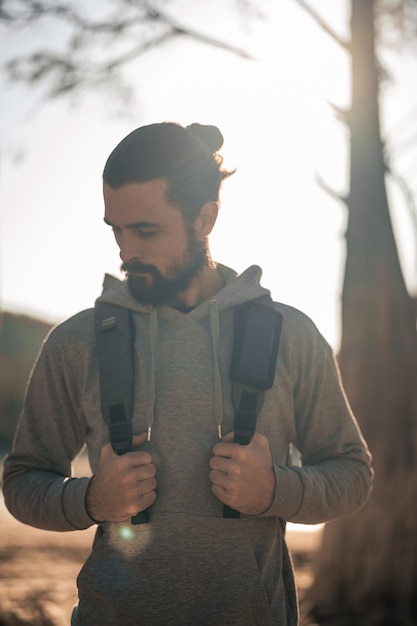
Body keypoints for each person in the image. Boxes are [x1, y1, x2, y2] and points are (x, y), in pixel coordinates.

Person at [3, 121, 373, 626]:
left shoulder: (292, 335)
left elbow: (352, 473)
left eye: (145, 230)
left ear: (205, 218)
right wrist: (90, 498)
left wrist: (274, 492)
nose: (125, 251)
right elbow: (23, 481)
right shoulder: (76, 343)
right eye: (116, 228)